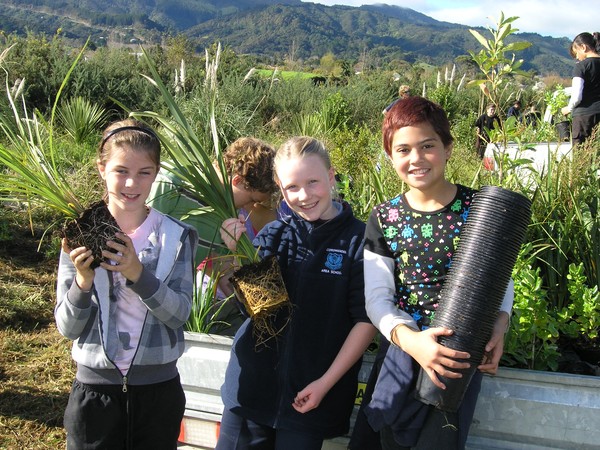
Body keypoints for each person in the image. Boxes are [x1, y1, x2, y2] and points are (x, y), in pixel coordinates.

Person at [353, 97, 513, 450]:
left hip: (457, 360)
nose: (416, 159)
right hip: (402, 354)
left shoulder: (479, 210)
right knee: (389, 438)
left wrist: (501, 322)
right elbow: (377, 299)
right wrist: (412, 342)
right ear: (390, 156)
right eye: (403, 149)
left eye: (427, 146)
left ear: (448, 148)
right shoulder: (384, 218)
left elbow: (500, 278)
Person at [216, 136, 377, 450]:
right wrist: (238, 255)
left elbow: (365, 321)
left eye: (313, 182)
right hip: (251, 391)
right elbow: (254, 308)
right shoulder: (274, 234)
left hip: (310, 397)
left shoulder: (360, 240)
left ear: (331, 176)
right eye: (292, 187)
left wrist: (324, 385)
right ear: (279, 185)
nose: (304, 196)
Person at [55, 119, 198, 449]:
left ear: (157, 172)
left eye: (145, 172)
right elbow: (67, 327)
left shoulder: (175, 237)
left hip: (157, 393)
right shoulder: (78, 235)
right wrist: (83, 281)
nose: (132, 182)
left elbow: (178, 315)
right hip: (94, 393)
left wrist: (137, 273)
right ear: (102, 168)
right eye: (120, 170)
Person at [147, 137, 278, 266]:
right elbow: (138, 233)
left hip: (174, 287)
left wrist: (235, 247)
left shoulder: (228, 214)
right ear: (237, 180)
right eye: (251, 200)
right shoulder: (174, 181)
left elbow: (223, 271)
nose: (249, 207)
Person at [561, 32, 600, 146]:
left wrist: (568, 108)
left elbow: (577, 96)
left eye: (576, 53)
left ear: (583, 47)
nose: (577, 57)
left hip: (584, 118)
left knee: (582, 156)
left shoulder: (581, 66)